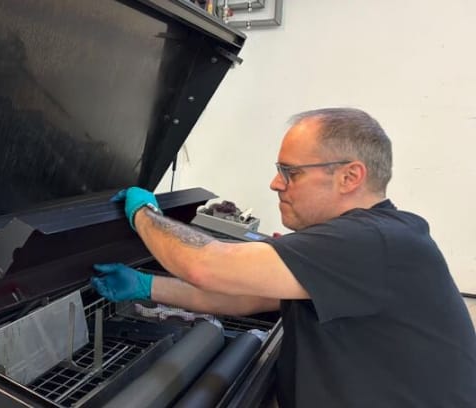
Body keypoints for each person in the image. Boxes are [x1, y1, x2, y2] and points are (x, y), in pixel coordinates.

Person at [91, 108, 476, 408]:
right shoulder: (377, 238)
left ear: (349, 177)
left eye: (290, 172)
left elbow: (206, 265)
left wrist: (144, 215)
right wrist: (146, 285)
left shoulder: (371, 241)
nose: (276, 183)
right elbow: (244, 298)